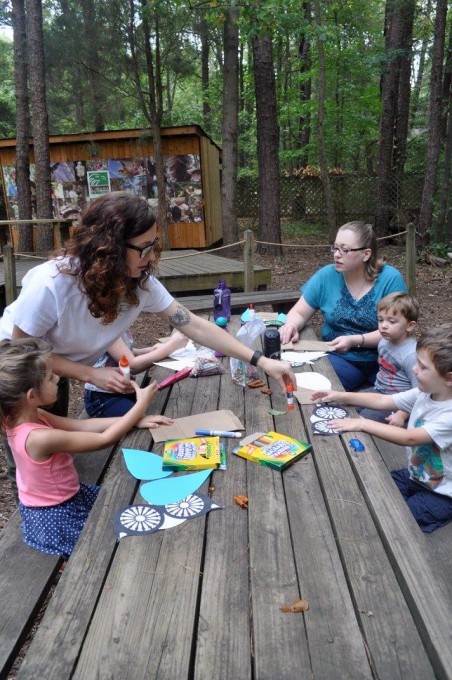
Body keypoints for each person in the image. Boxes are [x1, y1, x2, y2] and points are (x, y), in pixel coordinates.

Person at [0, 191, 295, 495]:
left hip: (54, 364)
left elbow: (194, 325)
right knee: (29, 457)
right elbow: (25, 352)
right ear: (108, 248)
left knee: (57, 449)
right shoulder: (52, 284)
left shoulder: (141, 285)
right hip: (18, 371)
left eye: (154, 246)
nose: (152, 257)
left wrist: (261, 360)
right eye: (143, 248)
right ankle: (36, 524)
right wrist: (90, 373)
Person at [0, 338, 173, 559]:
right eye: (50, 378)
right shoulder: (39, 438)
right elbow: (104, 440)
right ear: (31, 396)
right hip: (57, 514)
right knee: (107, 547)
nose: (58, 378)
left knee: (121, 503)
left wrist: (136, 419)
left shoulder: (24, 416)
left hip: (64, 496)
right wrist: (140, 406)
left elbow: (83, 425)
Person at [311, 323, 452, 533]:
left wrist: (362, 423)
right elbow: (383, 400)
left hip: (442, 494)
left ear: (448, 378)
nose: (414, 369)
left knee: (394, 521)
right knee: (372, 493)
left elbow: (410, 438)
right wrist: (341, 395)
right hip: (416, 476)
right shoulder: (425, 392)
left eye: (422, 367)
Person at [279, 221, 407, 391]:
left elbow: (398, 328)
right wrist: (291, 325)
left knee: (389, 406)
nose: (337, 255)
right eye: (335, 248)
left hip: (384, 359)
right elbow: (300, 312)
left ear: (366, 254)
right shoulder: (326, 276)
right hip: (339, 358)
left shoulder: (390, 279)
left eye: (345, 250)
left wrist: (355, 340)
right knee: (305, 387)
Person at [84, 330, 188, 417]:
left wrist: (150, 350)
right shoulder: (106, 328)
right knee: (141, 416)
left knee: (155, 406)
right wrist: (171, 346)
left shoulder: (118, 323)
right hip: (103, 399)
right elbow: (131, 366)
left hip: (123, 391)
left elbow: (126, 351)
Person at [357, 292, 419, 424]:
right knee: (346, 405)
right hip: (378, 390)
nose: (384, 325)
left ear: (410, 326)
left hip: (397, 403)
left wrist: (401, 415)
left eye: (392, 321)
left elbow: (419, 393)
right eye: (380, 320)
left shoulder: (411, 355)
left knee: (361, 419)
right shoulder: (384, 342)